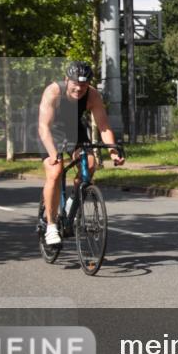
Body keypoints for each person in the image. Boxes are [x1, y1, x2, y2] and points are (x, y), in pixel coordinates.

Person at [38, 61, 125, 247]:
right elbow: (43, 127)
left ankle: (72, 202)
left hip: (73, 130)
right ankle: (51, 226)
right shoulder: (53, 91)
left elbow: (103, 126)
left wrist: (112, 151)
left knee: (90, 165)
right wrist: (54, 153)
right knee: (55, 171)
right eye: (75, 84)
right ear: (66, 80)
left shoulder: (92, 95)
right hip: (50, 131)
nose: (79, 88)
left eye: (84, 85)